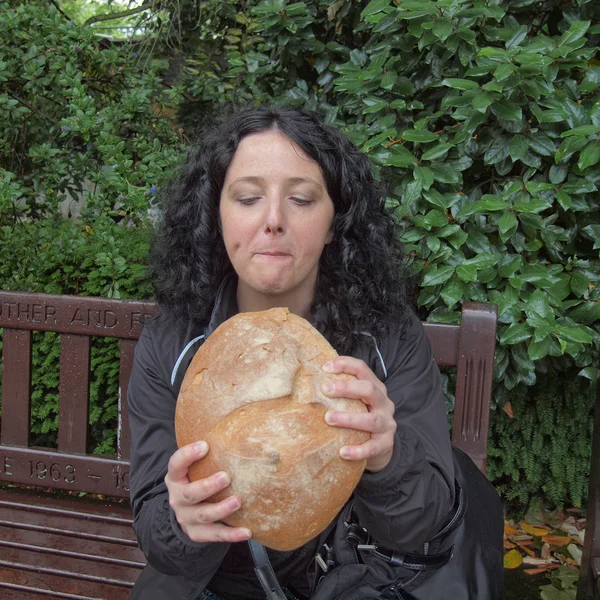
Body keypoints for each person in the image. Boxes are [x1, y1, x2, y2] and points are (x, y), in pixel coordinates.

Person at [127, 106, 457, 600]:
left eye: (301, 199)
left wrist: (387, 458)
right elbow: (159, 536)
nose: (273, 220)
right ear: (215, 215)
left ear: (332, 224)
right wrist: (182, 519)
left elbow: (422, 522)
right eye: (247, 197)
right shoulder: (172, 347)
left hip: (357, 583)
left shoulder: (387, 340)